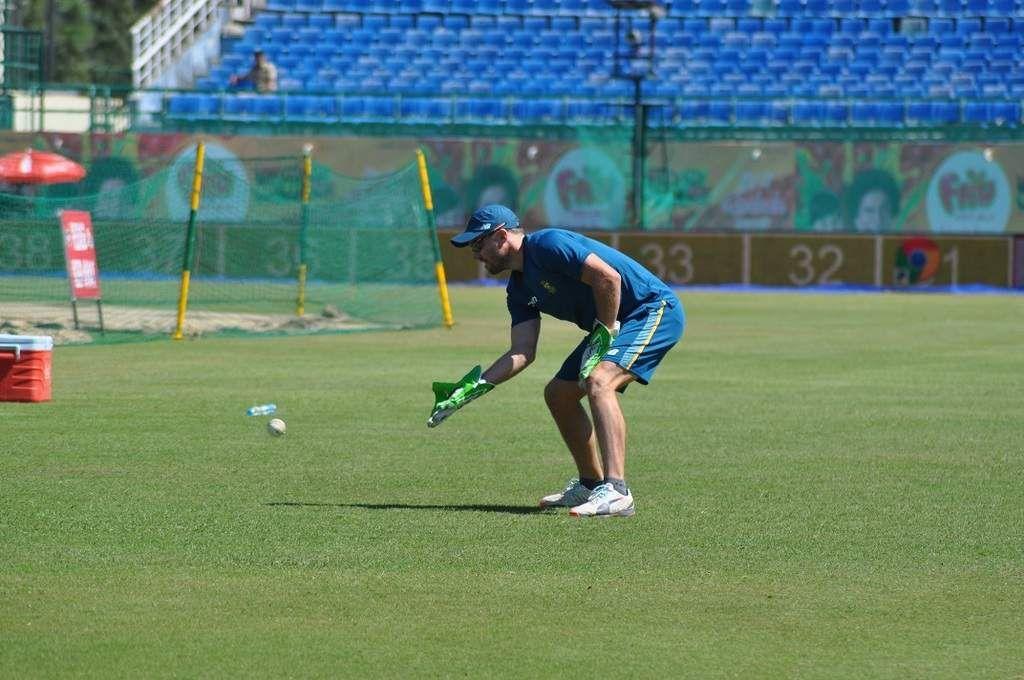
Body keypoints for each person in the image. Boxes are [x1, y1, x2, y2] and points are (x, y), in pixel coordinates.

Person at [428, 205, 685, 518]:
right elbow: (522, 351)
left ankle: (617, 491)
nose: (475, 254)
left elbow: (609, 279)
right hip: (612, 323)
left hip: (651, 310)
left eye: (478, 244)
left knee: (599, 381)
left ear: (501, 236)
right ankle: (591, 485)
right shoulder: (518, 289)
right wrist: (471, 388)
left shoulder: (548, 245)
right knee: (559, 394)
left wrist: (603, 334)